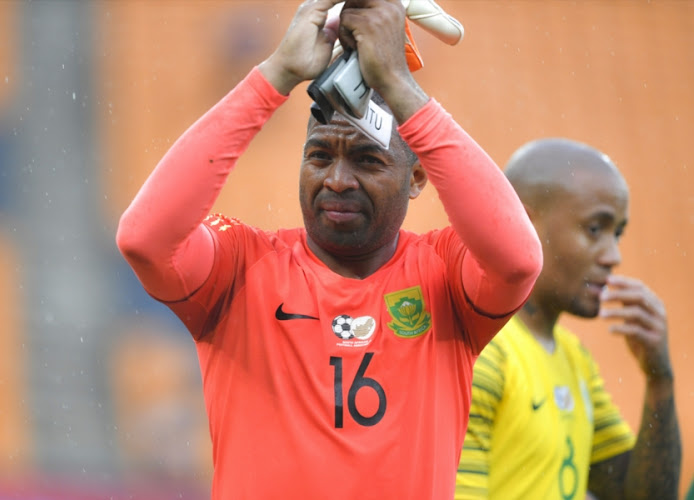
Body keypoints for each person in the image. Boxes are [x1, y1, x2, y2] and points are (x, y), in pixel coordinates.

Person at [116, 0, 542, 498]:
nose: (337, 180)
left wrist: (400, 87)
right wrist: (275, 75)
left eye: (367, 160)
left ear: (418, 177)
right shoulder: (242, 267)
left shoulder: (444, 274)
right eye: (319, 155)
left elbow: (519, 260)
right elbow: (143, 239)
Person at [455, 138, 682, 500]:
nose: (613, 255)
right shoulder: (483, 354)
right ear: (523, 223)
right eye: (595, 229)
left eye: (617, 233)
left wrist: (660, 380)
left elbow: (641, 496)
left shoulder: (574, 358)